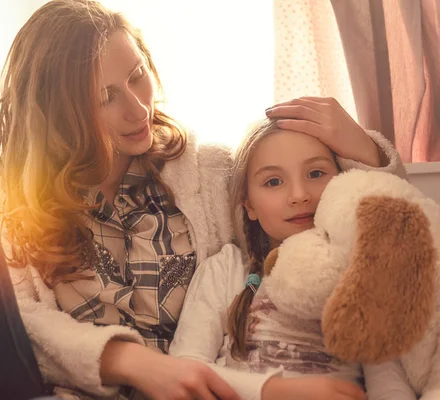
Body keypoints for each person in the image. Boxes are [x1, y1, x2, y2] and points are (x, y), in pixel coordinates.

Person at [0, 0, 406, 399]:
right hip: (50, 385)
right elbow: (25, 326)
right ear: (61, 114)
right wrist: (127, 361)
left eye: (138, 77)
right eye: (106, 97)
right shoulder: (15, 199)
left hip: (195, 382)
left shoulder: (209, 173)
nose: (138, 109)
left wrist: (362, 148)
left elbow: (343, 214)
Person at [168, 118, 412, 400]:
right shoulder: (227, 268)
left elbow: (389, 379)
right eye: (273, 181)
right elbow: (186, 367)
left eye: (315, 173)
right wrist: (278, 391)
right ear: (250, 206)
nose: (299, 195)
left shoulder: (359, 271)